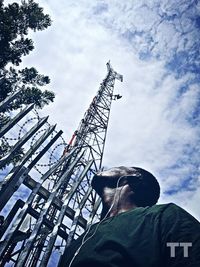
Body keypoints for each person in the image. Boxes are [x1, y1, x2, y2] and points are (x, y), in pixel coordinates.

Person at [60, 166, 200, 267]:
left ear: (134, 178)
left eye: (120, 167)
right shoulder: (82, 239)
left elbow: (186, 258)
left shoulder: (163, 217)